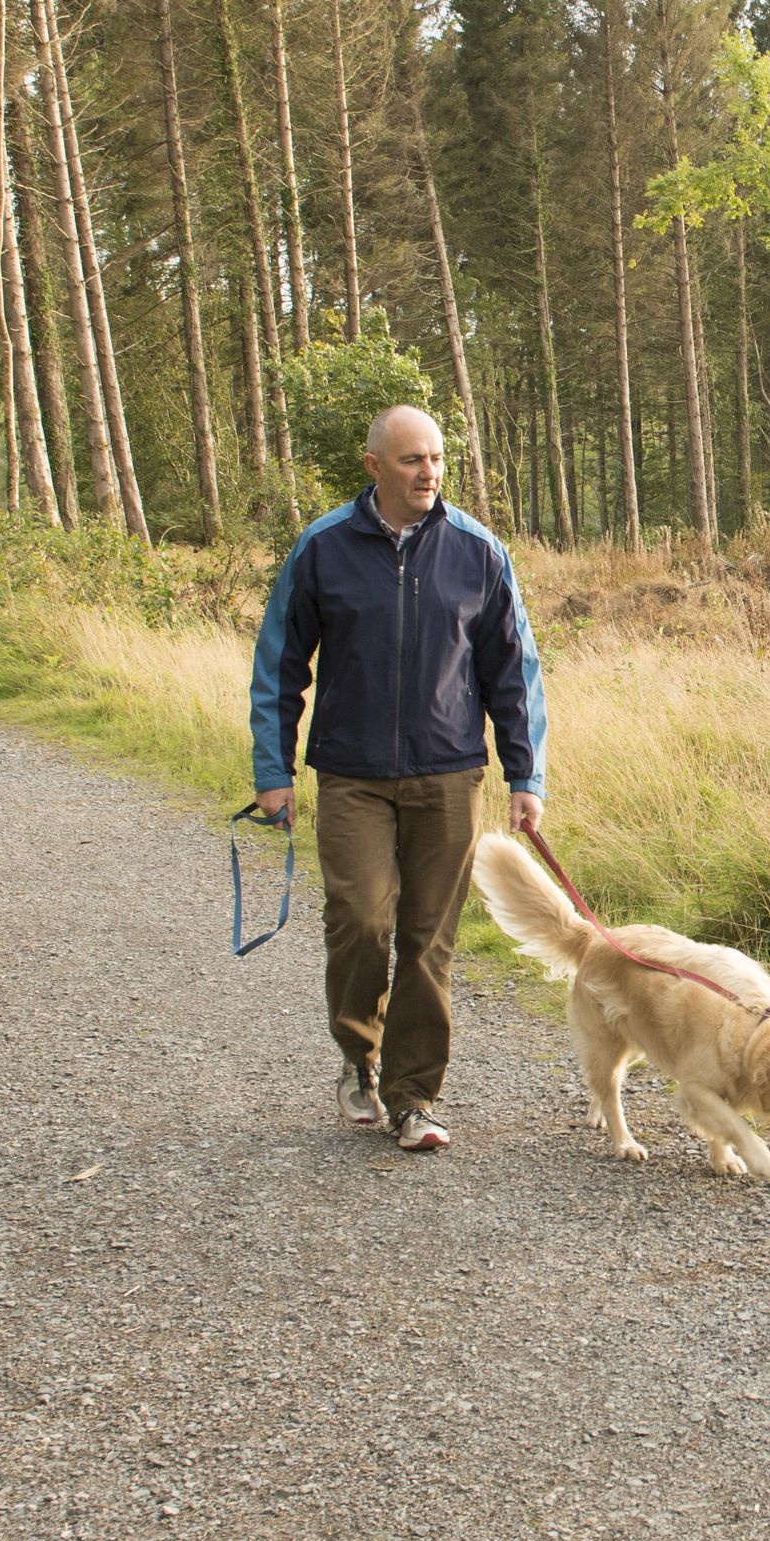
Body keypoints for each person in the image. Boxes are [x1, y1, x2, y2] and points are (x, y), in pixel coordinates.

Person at [248, 404, 546, 1151]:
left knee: (426, 941)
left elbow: (513, 671)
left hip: (448, 773)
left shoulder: (477, 551)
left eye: (437, 459)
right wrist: (272, 769)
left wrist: (524, 774)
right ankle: (358, 1057)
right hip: (349, 774)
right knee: (360, 922)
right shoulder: (322, 548)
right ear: (374, 465)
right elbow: (280, 662)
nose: (429, 472)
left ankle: (413, 1097)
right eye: (412, 459)